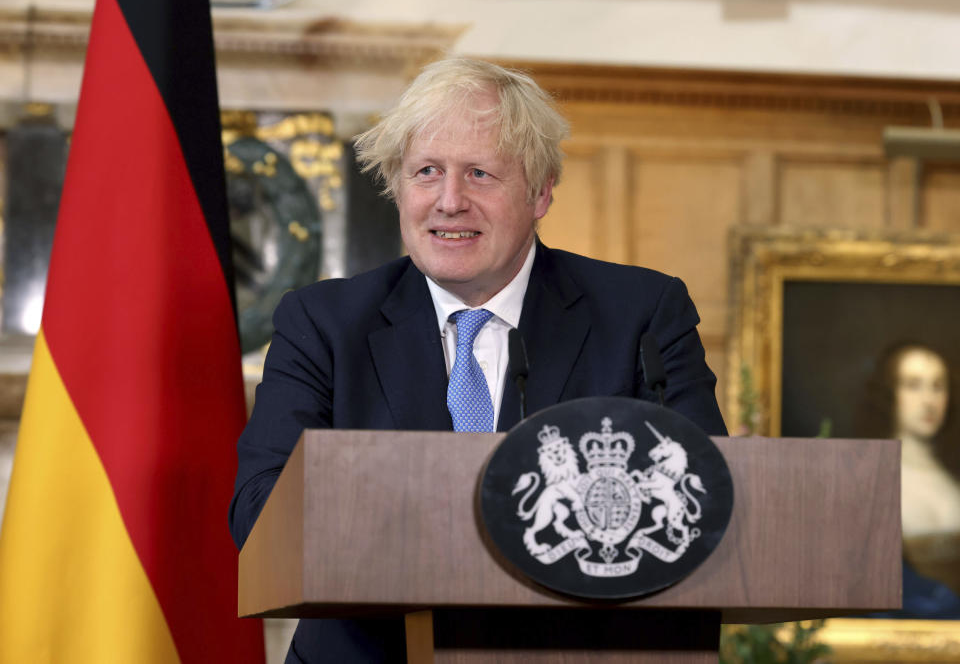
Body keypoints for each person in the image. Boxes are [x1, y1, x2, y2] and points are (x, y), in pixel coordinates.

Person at [229, 57, 727, 663]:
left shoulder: (642, 313)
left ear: (541, 192)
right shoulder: (322, 323)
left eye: (480, 174)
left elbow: (700, 500)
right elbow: (260, 511)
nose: (449, 201)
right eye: (426, 172)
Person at [856, 342, 960, 618]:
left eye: (938, 386)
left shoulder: (952, 474)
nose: (929, 400)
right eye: (913, 385)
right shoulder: (870, 477)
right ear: (889, 393)